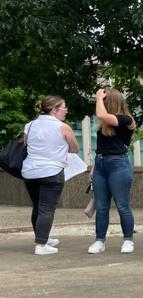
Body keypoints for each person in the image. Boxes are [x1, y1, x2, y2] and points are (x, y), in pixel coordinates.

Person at [22, 96, 79, 255]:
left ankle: (42, 237)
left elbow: (26, 145)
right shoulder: (63, 127)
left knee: (38, 207)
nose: (66, 111)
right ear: (54, 110)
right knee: (47, 209)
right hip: (52, 171)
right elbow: (74, 148)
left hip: (30, 172)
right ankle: (41, 245)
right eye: (64, 108)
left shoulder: (30, 125)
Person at [87, 88, 137, 255]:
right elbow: (101, 147)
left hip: (118, 164)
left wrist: (99, 98)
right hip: (101, 163)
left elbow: (102, 115)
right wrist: (94, 167)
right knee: (101, 206)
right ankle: (99, 240)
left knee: (122, 205)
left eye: (103, 101)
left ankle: (128, 239)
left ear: (110, 102)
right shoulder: (104, 126)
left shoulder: (125, 119)